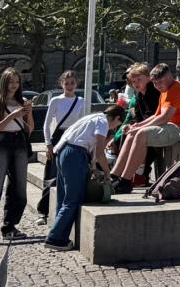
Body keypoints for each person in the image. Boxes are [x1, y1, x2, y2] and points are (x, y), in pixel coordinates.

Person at [43, 105, 125, 251]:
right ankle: (55, 238)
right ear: (117, 118)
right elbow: (99, 153)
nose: (114, 128)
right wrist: (107, 172)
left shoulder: (91, 117)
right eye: (117, 124)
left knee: (63, 198)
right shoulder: (103, 122)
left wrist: (92, 167)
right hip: (75, 155)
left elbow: (90, 148)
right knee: (73, 199)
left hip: (63, 152)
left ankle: (59, 233)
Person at [110, 63, 180, 192]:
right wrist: (137, 126)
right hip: (169, 126)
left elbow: (164, 117)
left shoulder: (176, 89)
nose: (157, 86)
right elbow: (156, 116)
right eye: (155, 83)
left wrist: (139, 128)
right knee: (132, 133)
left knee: (141, 134)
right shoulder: (164, 91)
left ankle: (126, 180)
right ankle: (114, 175)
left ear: (169, 76)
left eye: (160, 82)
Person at [0, 68, 35, 246]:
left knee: (19, 189)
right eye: (11, 82)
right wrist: (11, 116)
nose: (14, 85)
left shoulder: (22, 101)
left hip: (19, 143)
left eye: (17, 82)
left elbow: (29, 129)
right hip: (3, 143)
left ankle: (9, 227)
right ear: (4, 82)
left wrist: (28, 112)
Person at [36, 70, 88, 224]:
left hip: (74, 137)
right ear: (61, 84)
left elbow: (83, 123)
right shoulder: (56, 101)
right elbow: (46, 124)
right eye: (67, 83)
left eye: (72, 83)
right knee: (51, 175)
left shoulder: (82, 101)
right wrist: (48, 144)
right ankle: (43, 211)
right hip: (58, 137)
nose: (69, 86)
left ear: (76, 84)